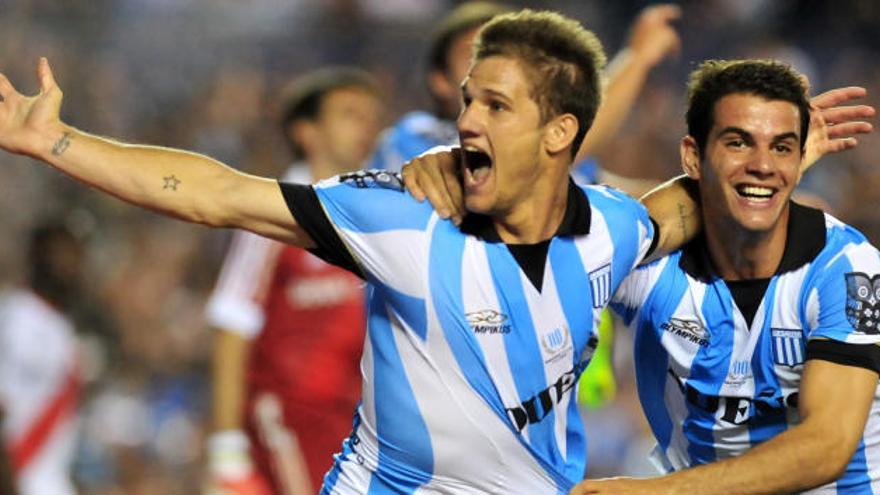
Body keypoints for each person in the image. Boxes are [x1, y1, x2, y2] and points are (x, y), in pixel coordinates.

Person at [0, 10, 865, 494]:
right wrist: (60, 143)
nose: (467, 121)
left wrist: (770, 166)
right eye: (468, 102)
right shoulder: (400, 224)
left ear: (563, 133)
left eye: (495, 106)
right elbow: (219, 193)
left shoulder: (612, 230)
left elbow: (688, 201)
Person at [565, 60, 880, 494]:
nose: (763, 165)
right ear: (692, 156)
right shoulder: (651, 268)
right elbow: (542, 221)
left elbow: (825, 446)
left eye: (782, 148)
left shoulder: (847, 266)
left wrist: (651, 492)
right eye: (739, 143)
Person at [204, 68, 382, 495]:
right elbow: (232, 322)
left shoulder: (376, 212)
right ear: (306, 131)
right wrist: (226, 447)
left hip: (354, 419)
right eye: (349, 114)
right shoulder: (273, 213)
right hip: (286, 418)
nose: (367, 128)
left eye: (370, 117)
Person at [370, 1, 680, 196]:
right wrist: (637, 57)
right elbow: (564, 145)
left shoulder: (544, 144)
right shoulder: (412, 137)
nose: (492, 67)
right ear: (439, 81)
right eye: (473, 53)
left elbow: (615, 198)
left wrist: (698, 194)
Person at [0, 221, 84, 495]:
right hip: (19, 476)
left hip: (50, 482)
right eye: (60, 255)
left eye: (74, 257)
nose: (68, 266)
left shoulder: (61, 326)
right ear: (37, 257)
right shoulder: (16, 318)